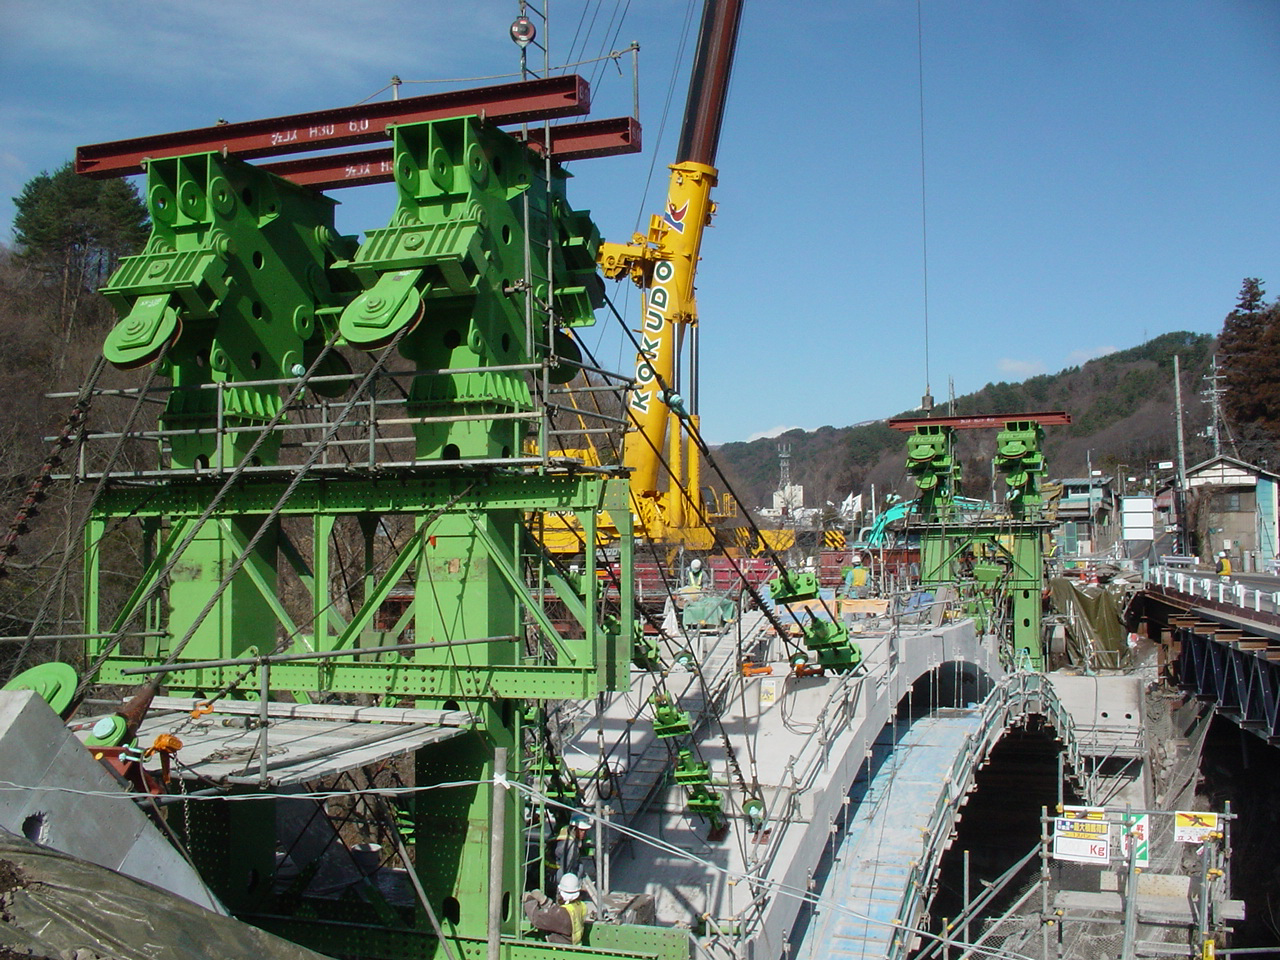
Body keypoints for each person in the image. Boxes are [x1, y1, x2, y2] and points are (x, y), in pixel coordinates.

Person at [524, 873, 589, 944]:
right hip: (574, 946)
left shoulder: (563, 914)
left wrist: (529, 899)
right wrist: (544, 901)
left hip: (561, 951)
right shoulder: (581, 906)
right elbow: (556, 912)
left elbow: (536, 918)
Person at [552, 815, 594, 886]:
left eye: (585, 831)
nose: (583, 833)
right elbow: (566, 868)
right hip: (556, 874)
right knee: (579, 867)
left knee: (579, 866)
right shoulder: (570, 845)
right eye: (581, 830)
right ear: (574, 829)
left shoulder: (567, 833)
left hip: (557, 870)